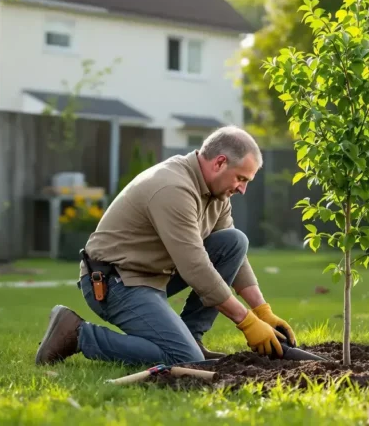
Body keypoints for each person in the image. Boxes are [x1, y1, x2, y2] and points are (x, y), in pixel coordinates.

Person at [34, 126, 297, 367]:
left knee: (234, 241)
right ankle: (78, 334)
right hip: (114, 282)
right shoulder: (173, 188)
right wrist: (246, 321)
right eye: (241, 178)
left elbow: (232, 255)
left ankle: (191, 337)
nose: (243, 189)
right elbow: (195, 267)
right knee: (183, 359)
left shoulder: (216, 193)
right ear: (219, 162)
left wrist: (263, 312)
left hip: (151, 277)